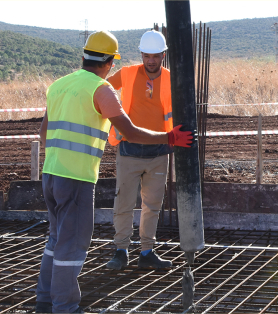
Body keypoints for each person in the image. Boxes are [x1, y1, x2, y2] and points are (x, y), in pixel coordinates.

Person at [35, 30, 193, 313]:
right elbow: (129, 132)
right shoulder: (100, 89)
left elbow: (43, 136)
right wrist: (169, 138)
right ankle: (65, 307)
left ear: (84, 56)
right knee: (72, 245)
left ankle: (45, 300)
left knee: (56, 240)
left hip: (50, 174)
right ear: (109, 62)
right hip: (76, 178)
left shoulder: (58, 85)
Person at [104, 30, 176, 271]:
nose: (151, 61)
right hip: (129, 150)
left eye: (156, 56)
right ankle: (120, 251)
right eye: (147, 56)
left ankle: (146, 251)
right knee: (123, 203)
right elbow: (100, 85)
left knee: (152, 205)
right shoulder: (127, 73)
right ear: (141, 55)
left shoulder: (170, 79)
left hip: (159, 151)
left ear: (163, 55)